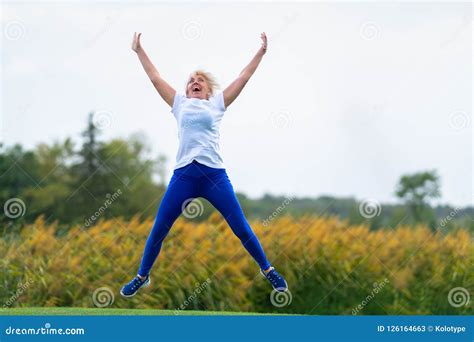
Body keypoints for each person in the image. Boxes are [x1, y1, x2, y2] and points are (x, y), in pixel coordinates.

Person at [120, 32, 288, 298]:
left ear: (209, 90)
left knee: (241, 227)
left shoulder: (217, 105)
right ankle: (142, 276)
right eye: (190, 82)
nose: (194, 83)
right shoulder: (179, 104)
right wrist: (139, 50)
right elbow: (155, 77)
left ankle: (268, 270)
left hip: (214, 176)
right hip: (184, 176)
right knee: (159, 229)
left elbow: (244, 77)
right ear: (187, 91)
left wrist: (261, 52)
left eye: (199, 81)